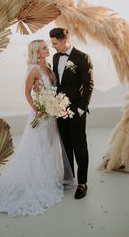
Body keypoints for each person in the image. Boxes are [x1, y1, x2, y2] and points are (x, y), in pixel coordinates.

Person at [0, 39, 72, 217]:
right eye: (43, 47)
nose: (47, 49)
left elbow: (52, 90)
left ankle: (46, 178)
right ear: (36, 52)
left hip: (51, 116)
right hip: (40, 115)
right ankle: (36, 181)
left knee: (50, 147)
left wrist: (54, 106)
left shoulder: (48, 66)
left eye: (46, 46)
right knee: (38, 148)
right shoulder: (34, 70)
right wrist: (37, 109)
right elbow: (27, 92)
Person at [49, 28, 94, 199]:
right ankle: (68, 178)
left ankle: (82, 183)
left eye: (54, 43)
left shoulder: (82, 58)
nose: (52, 47)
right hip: (58, 110)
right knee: (65, 145)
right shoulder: (55, 57)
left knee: (79, 146)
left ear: (63, 41)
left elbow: (88, 85)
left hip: (76, 110)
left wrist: (81, 109)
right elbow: (57, 84)